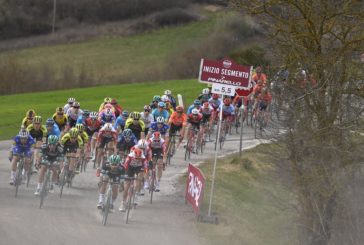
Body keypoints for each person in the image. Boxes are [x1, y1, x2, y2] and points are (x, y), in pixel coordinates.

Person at [119, 148, 147, 212]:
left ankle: (136, 194)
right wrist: (124, 177)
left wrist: (143, 178)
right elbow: (125, 167)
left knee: (140, 177)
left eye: (139, 158)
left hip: (139, 168)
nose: (137, 160)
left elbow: (145, 169)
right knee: (126, 186)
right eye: (136, 158)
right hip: (130, 168)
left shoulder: (143, 158)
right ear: (134, 156)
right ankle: (123, 203)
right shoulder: (129, 156)